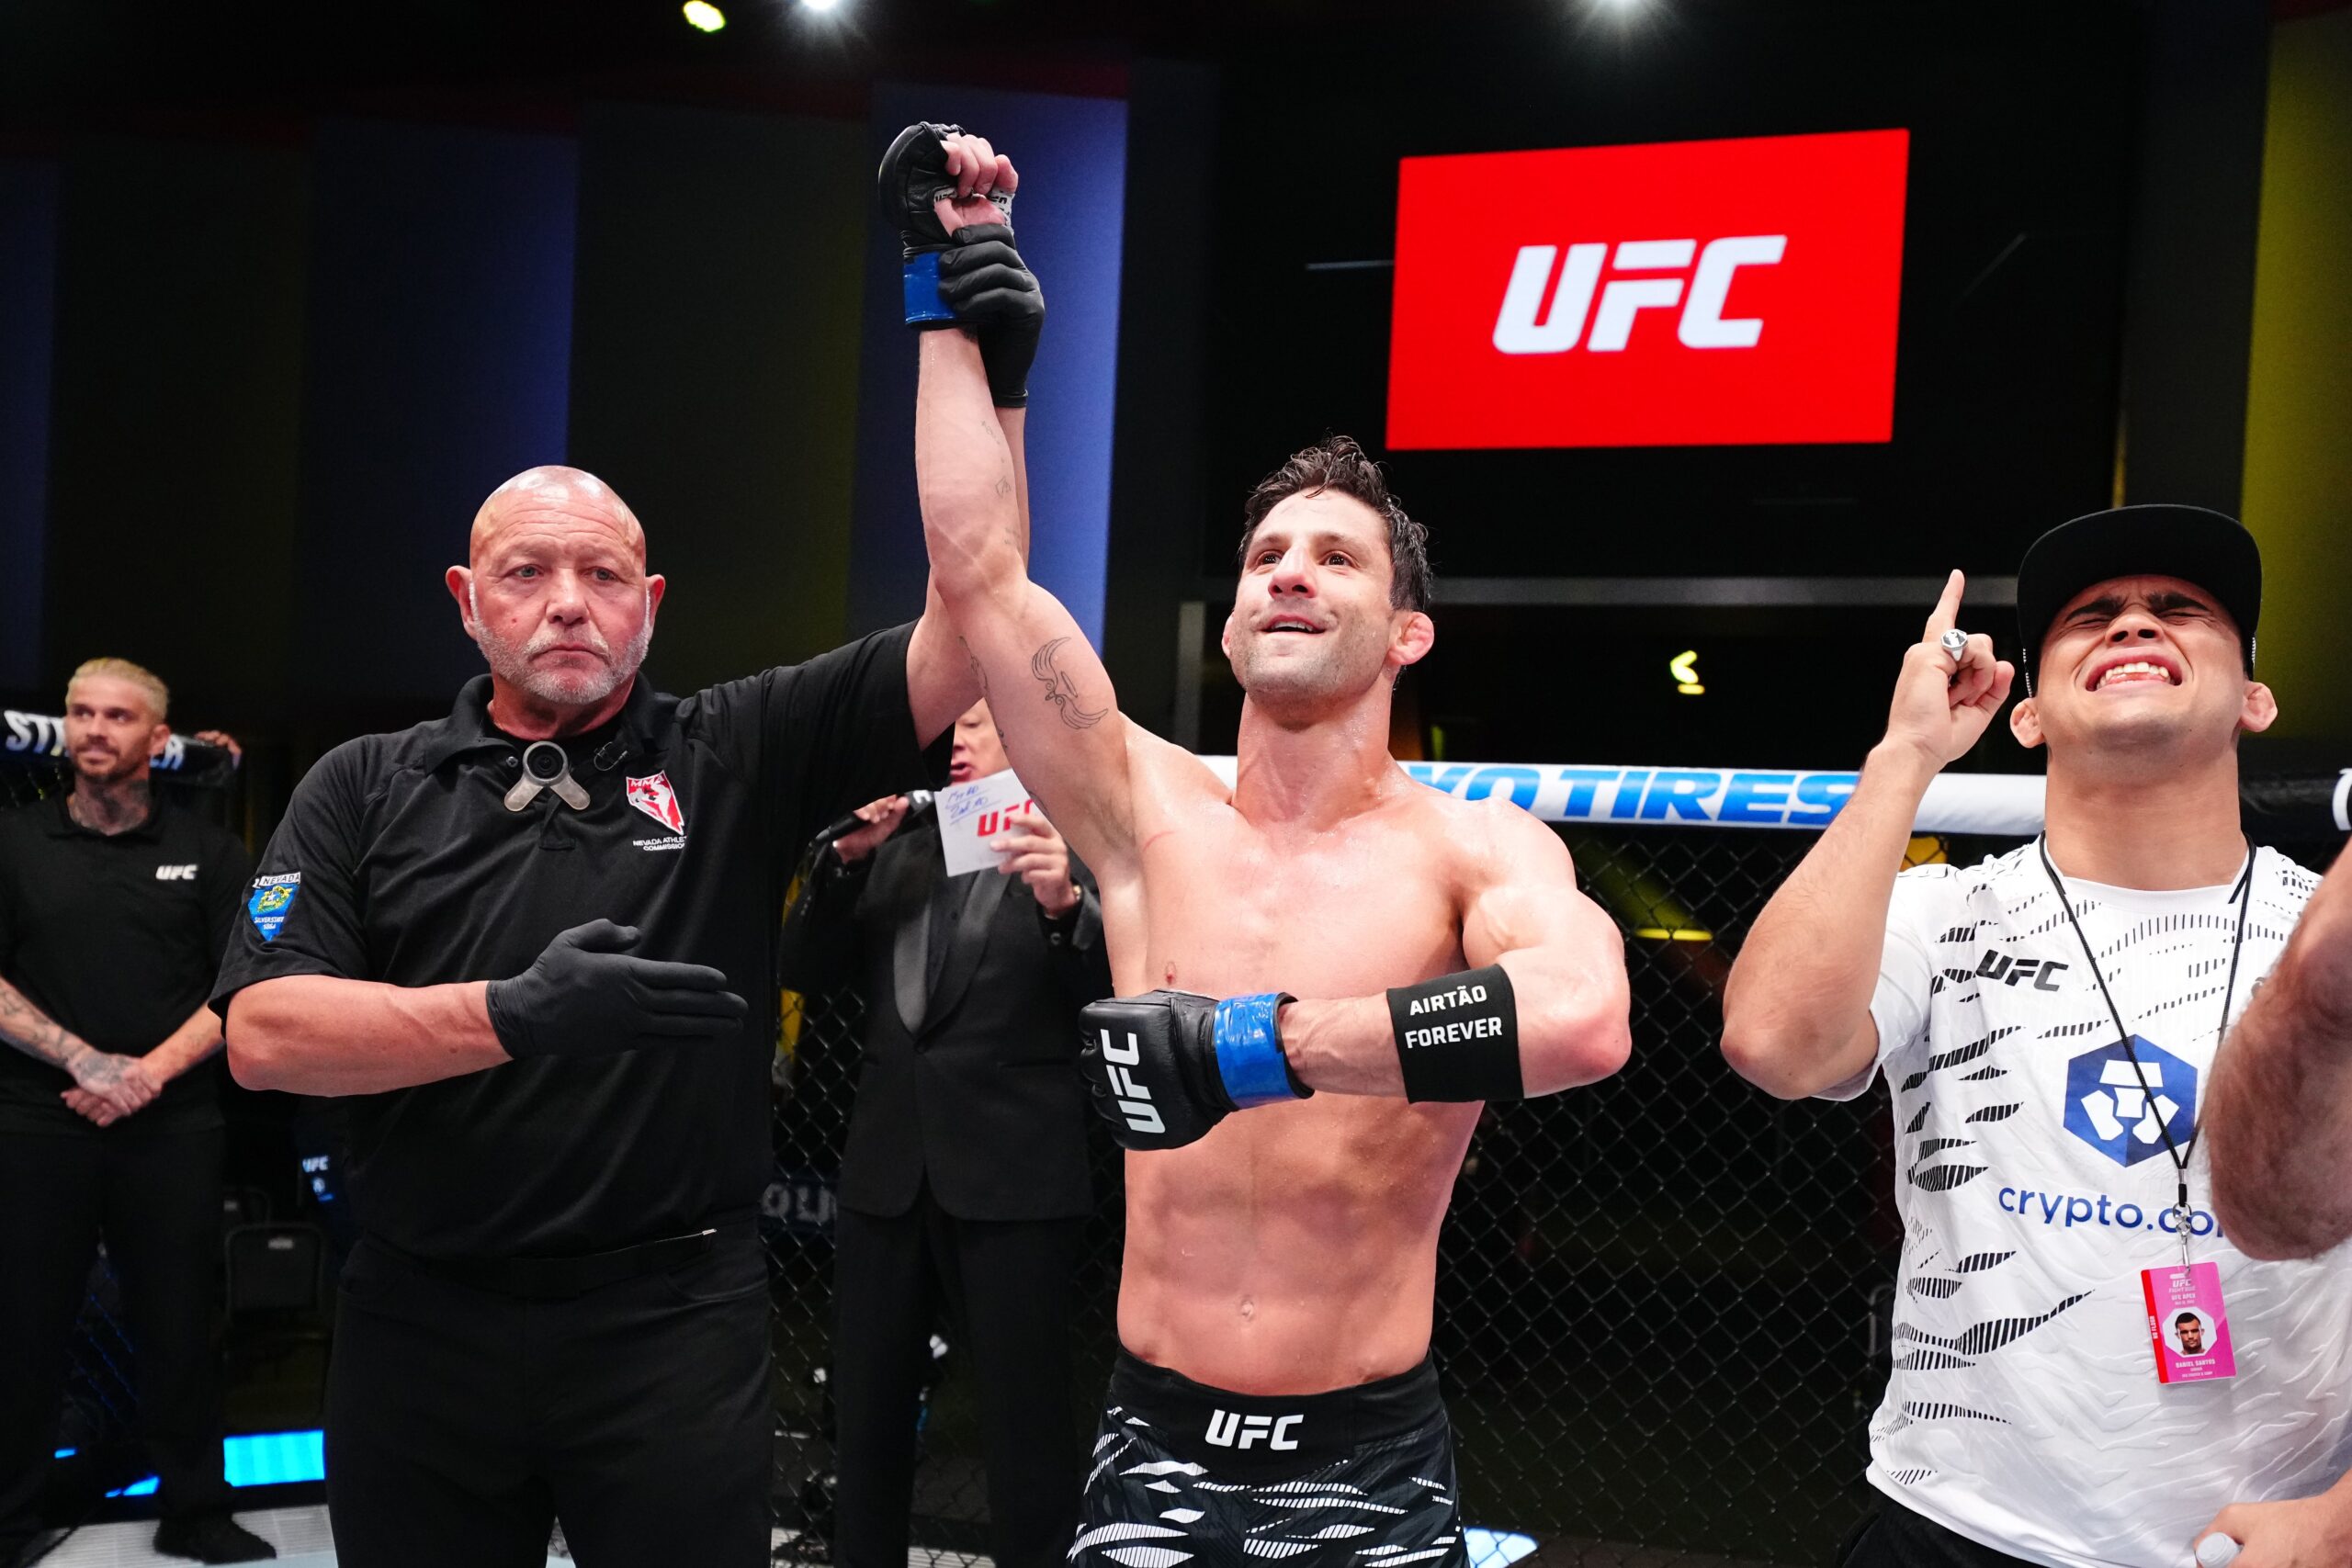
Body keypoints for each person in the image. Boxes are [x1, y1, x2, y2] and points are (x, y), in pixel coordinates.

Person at [892, 124, 1632, 1565]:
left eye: (1337, 556)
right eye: (1265, 556)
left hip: (1366, 1458)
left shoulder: (1472, 850)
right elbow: (980, 578)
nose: (1291, 571)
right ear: (1230, 623)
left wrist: (1254, 1045)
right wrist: (949, 311)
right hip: (1150, 1444)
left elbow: (1584, 1017)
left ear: (1407, 633)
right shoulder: (1139, 810)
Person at [209, 464, 996, 1567]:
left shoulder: (732, 747)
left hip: (670, 1324)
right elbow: (264, 1038)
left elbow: (973, 621)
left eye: (604, 575)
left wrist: (989, 388)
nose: (569, 603)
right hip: (420, 1319)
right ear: (466, 599)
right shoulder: (364, 784)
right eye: (525, 572)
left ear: (651, 603)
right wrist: (514, 1015)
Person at [1718, 505, 2352, 1568]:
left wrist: (2339, 1524)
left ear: (2254, 698)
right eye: (2089, 619)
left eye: (2180, 610)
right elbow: (1775, 1045)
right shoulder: (1940, 913)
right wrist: (1906, 755)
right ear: (2026, 716)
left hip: (2257, 1540)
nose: (2133, 625)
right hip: (1952, 1528)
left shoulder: (2330, 935)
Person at [783, 699, 1110, 1568]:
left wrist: (1064, 906)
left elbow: (1114, 997)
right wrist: (844, 861)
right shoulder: (901, 844)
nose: (960, 738)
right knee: (867, 1421)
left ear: (1030, 732)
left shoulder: (1081, 842)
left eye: (983, 721)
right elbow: (802, 967)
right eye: (955, 724)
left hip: (1014, 1179)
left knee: (1026, 1425)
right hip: (887, 1174)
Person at [0, 659, 271, 1566]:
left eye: (116, 716)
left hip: (172, 1121)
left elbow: (245, 982)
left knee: (179, 1321)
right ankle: (9, 1521)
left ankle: (195, 1511)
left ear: (158, 739)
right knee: (23, 1324)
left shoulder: (211, 850)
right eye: (80, 713)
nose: (93, 730)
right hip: (38, 1116)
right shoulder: (14, 841)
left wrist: (144, 1075)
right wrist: (82, 1061)